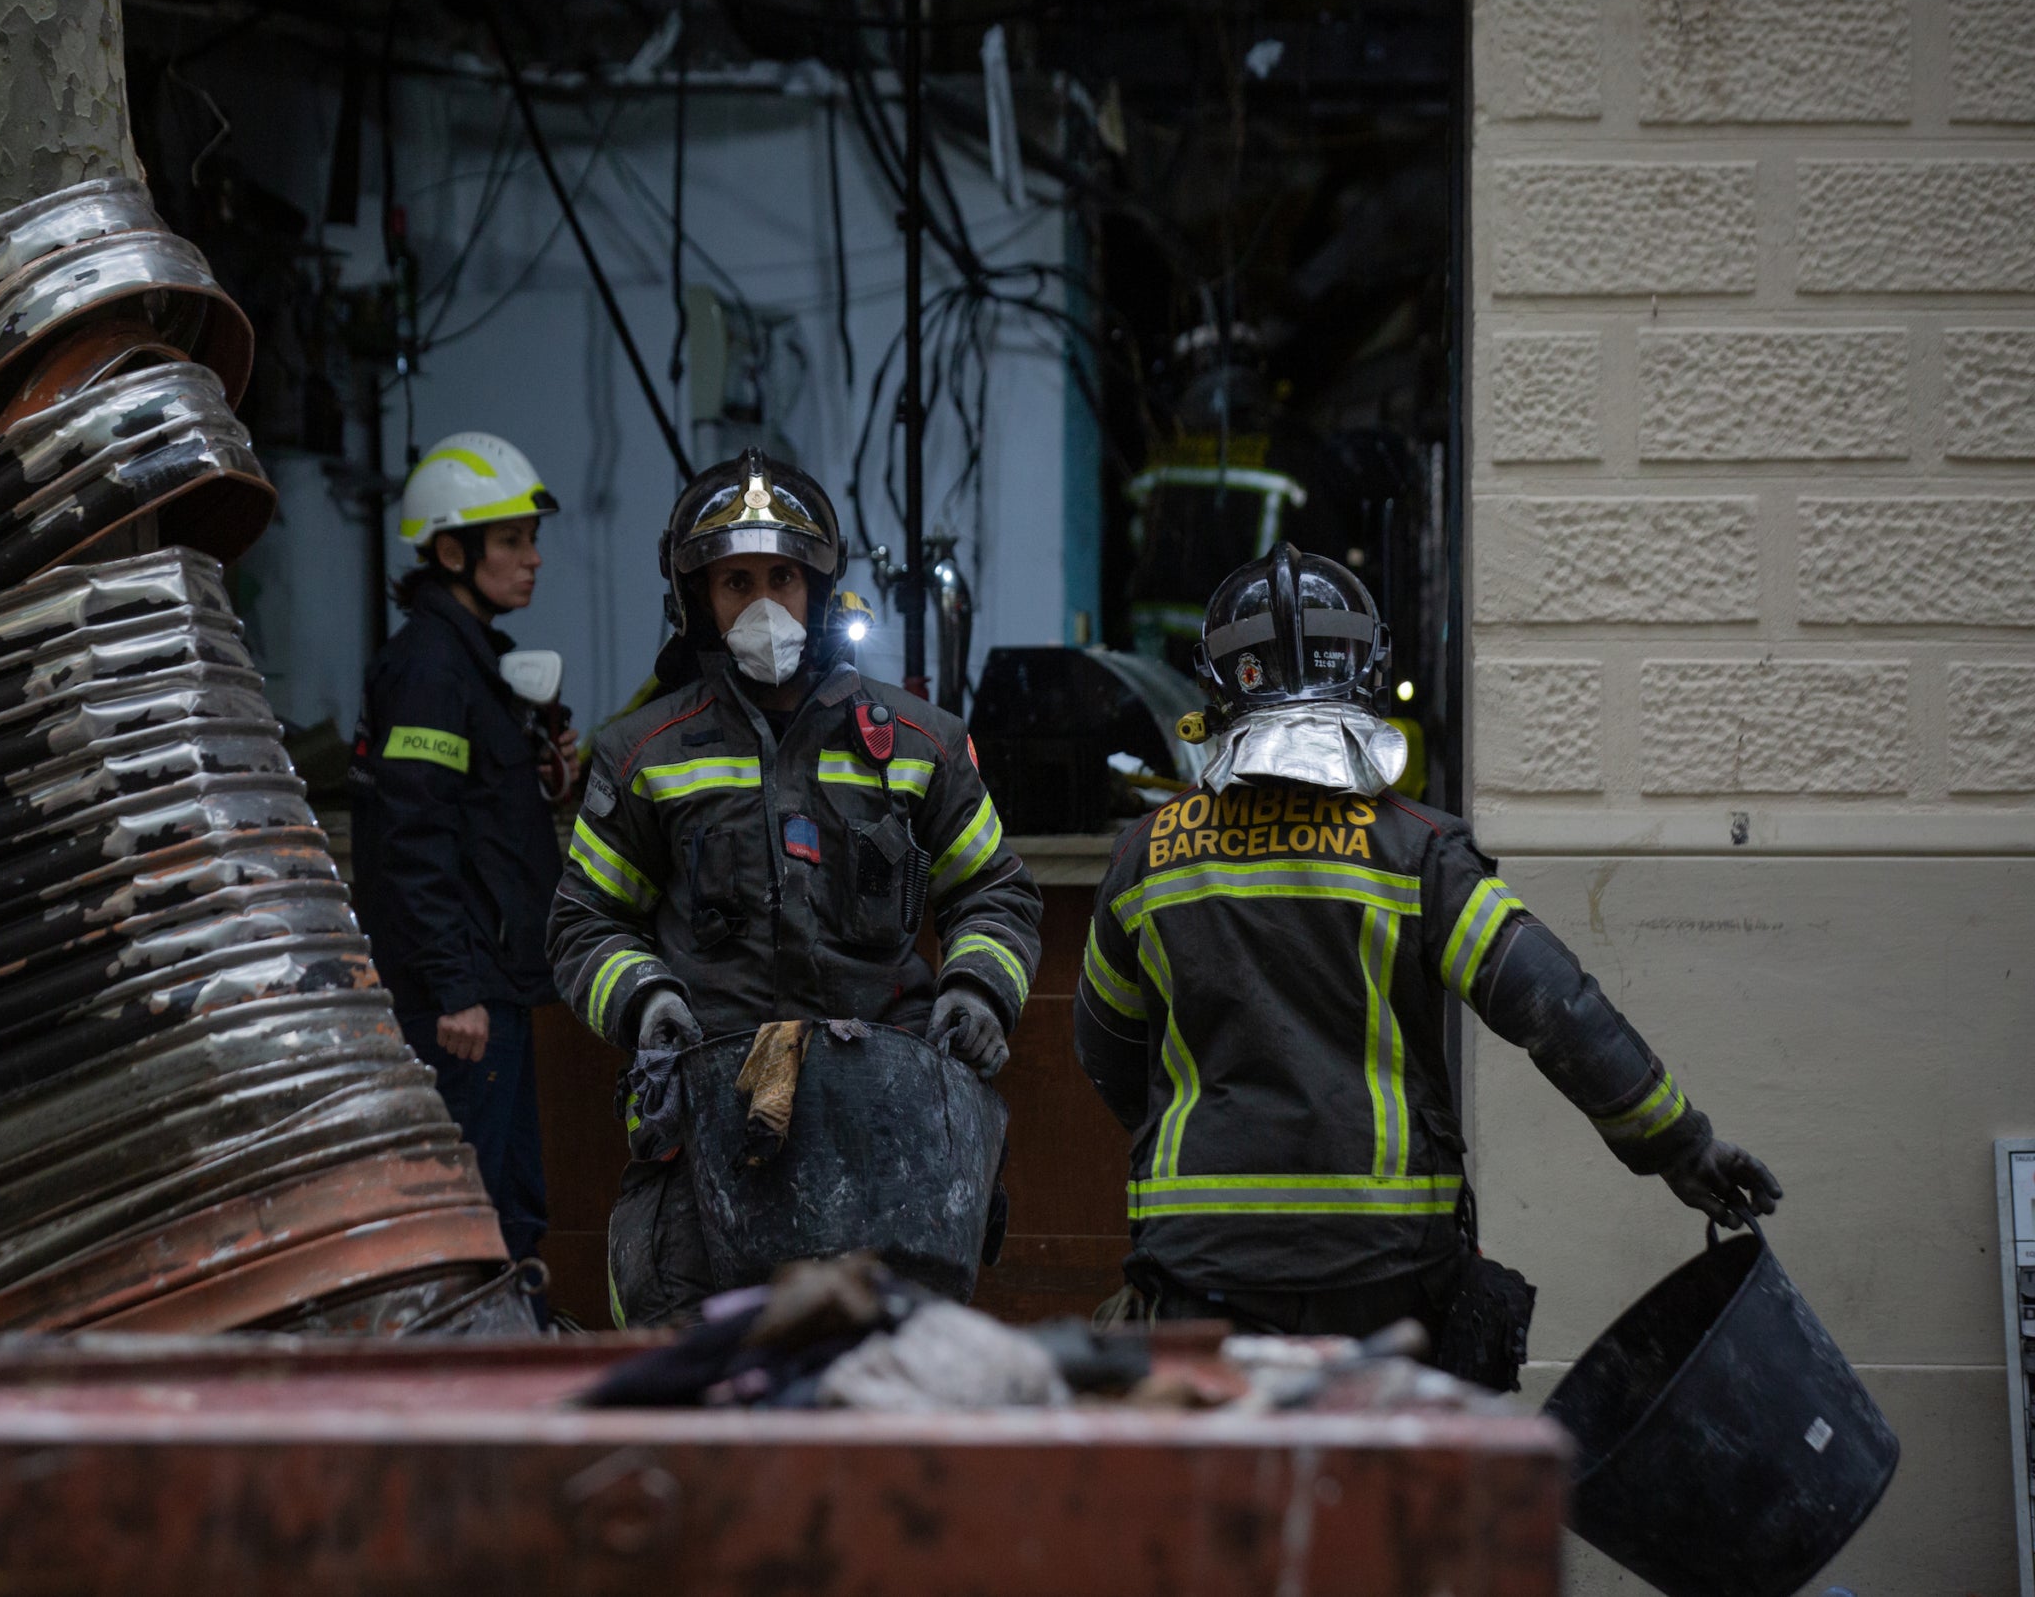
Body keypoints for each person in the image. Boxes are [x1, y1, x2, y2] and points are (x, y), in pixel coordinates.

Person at [1074, 543, 1781, 1366]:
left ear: (1218, 684)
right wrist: (1680, 1145)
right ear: (1368, 670)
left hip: (1199, 1271)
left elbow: (1106, 1051)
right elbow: (1555, 1007)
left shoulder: (1145, 857)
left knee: (1221, 1492)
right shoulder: (1418, 851)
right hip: (1385, 1273)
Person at [547, 450, 1043, 1328]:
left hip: (887, 1144)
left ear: (819, 586)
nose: (765, 603)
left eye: (784, 576)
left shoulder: (920, 745)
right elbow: (584, 921)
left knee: (886, 1389)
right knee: (697, 1399)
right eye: (738, 581)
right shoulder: (642, 755)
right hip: (707, 1143)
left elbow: (994, 890)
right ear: (698, 596)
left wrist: (977, 990)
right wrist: (646, 1000)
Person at [351, 432, 575, 1275]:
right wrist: (455, 988)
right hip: (461, 1003)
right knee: (473, 1214)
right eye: (512, 540)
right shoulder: (431, 672)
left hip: (491, 985)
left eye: (531, 539)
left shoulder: (473, 663)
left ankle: (518, 1359)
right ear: (452, 548)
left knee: (512, 1204)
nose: (533, 559)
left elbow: (469, 814)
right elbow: (412, 840)